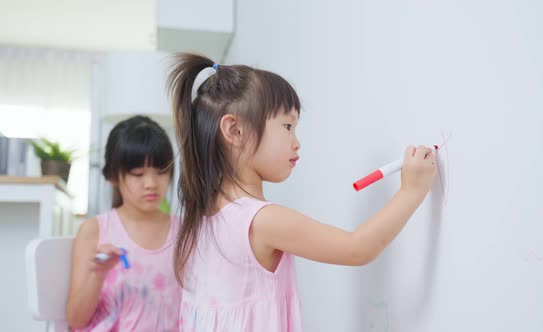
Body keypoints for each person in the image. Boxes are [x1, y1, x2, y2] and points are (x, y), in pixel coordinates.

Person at [167, 53, 437, 331]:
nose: (297, 143)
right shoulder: (262, 221)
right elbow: (358, 249)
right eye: (287, 126)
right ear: (234, 130)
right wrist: (411, 191)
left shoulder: (199, 221)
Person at [66, 115, 181, 331]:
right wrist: (97, 276)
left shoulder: (184, 232)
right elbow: (76, 320)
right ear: (113, 177)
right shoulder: (95, 231)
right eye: (138, 174)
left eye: (161, 172)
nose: (151, 184)